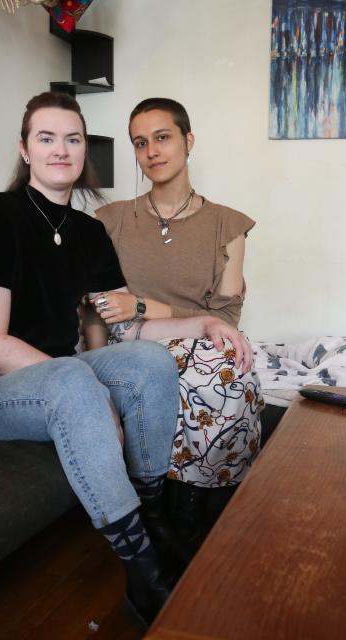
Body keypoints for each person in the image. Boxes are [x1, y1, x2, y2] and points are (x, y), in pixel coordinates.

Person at [0, 92, 251, 629]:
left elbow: (129, 328)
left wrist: (205, 322)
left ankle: (152, 513)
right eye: (47, 138)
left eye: (73, 139)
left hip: (54, 374)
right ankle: (142, 567)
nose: (61, 150)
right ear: (25, 149)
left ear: (86, 150)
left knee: (150, 362)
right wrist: (87, 383)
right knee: (75, 380)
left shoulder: (87, 233)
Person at [89, 98, 264, 539]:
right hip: (127, 343)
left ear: (188, 141)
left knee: (232, 371)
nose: (151, 152)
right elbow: (96, 309)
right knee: (213, 376)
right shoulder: (108, 221)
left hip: (195, 338)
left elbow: (223, 316)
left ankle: (207, 516)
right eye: (140, 143)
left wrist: (145, 304)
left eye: (162, 138)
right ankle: (173, 522)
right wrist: (91, 373)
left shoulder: (229, 225)